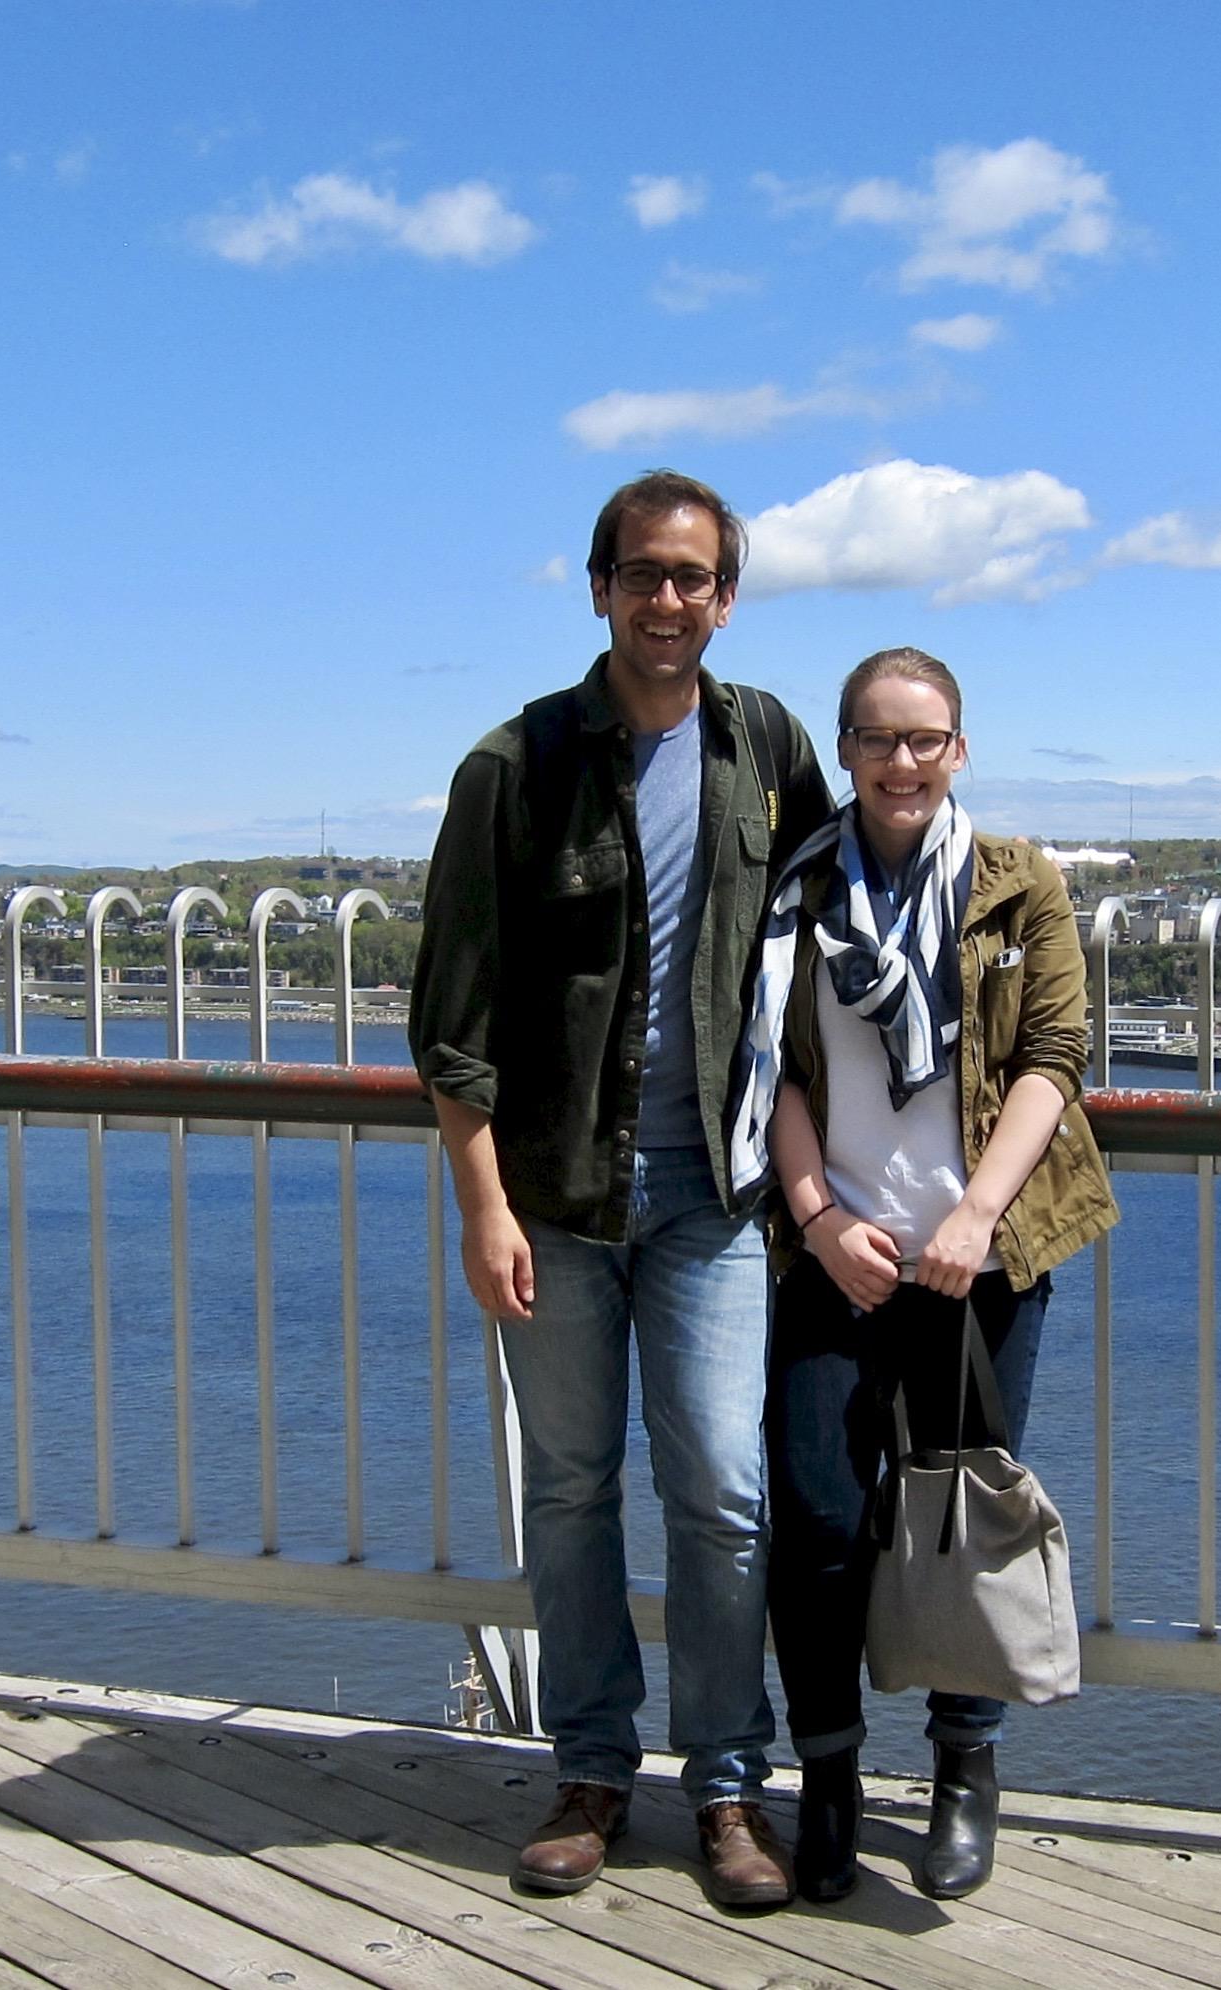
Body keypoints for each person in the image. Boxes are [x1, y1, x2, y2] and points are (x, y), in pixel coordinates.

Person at [410, 470, 832, 1908]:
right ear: (597, 587)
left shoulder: (762, 744)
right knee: (574, 1490)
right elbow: (451, 1020)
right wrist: (481, 1203)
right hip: (555, 1197)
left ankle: (727, 1784)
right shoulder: (514, 767)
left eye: (694, 578)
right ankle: (591, 1769)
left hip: (712, 1196)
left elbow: (831, 937)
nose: (669, 601)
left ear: (725, 598)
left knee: (721, 1489)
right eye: (643, 574)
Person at [729, 646, 1119, 1903]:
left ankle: (965, 1768)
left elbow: (1055, 1057)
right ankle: (830, 1777)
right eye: (878, 738)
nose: (902, 761)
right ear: (843, 749)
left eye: (925, 739)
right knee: (823, 1522)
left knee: (961, 1517)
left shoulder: (1018, 885)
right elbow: (772, 1070)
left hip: (978, 1264)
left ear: (960, 750)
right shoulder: (795, 889)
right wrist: (816, 1215)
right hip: (836, 1256)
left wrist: (974, 1215)